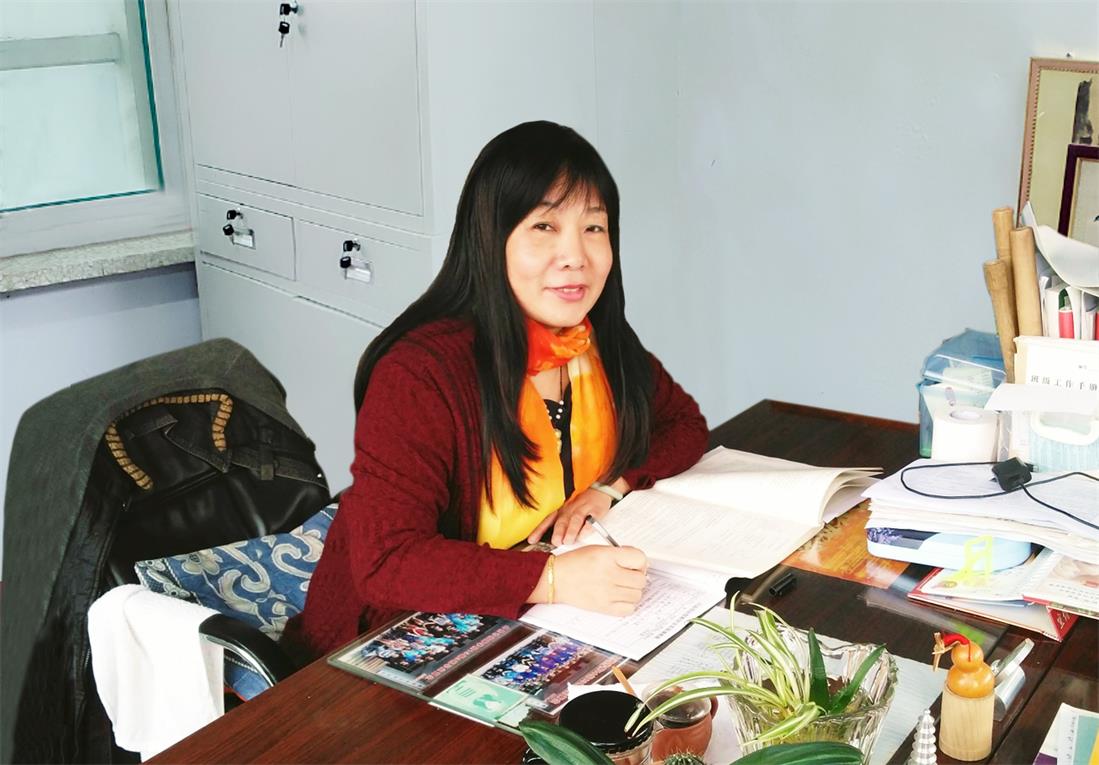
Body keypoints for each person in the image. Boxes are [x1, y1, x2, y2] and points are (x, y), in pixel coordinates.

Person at [283, 121, 708, 661]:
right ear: (490, 238)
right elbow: (387, 563)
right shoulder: (420, 374)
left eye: (594, 227)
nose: (575, 255)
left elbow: (684, 425)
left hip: (536, 624)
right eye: (544, 226)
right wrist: (552, 578)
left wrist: (609, 486)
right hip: (379, 648)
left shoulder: (595, 340)